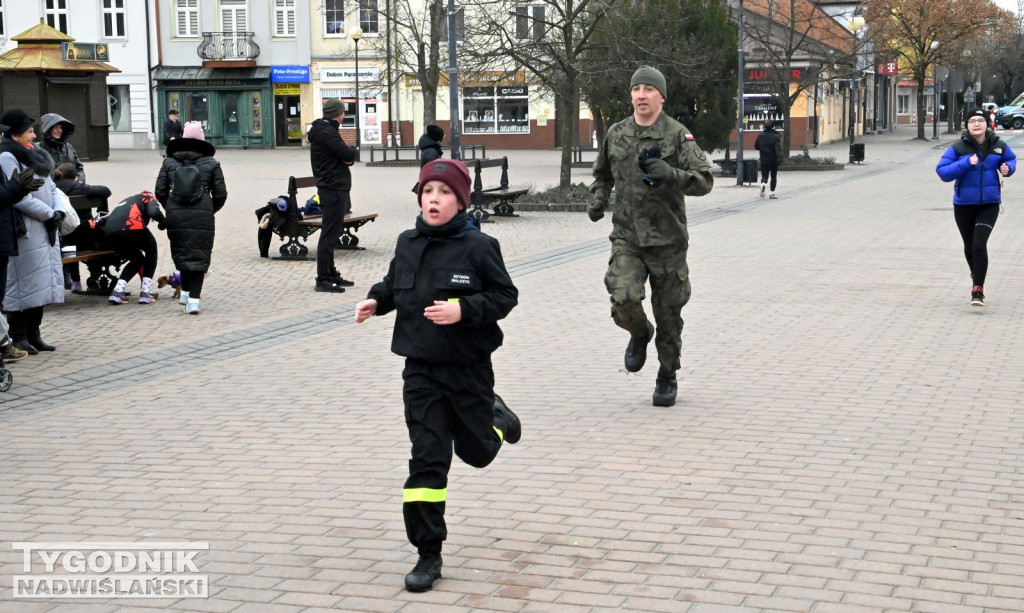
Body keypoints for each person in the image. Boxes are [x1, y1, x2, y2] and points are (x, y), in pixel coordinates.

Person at [354, 159, 521, 593]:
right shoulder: (407, 242)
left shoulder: (479, 247)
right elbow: (395, 284)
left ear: (460, 200)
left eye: (444, 192)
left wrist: (464, 309)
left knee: (478, 453)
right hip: (421, 371)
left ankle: (499, 421)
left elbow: (505, 295)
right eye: (428, 191)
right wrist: (376, 301)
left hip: (468, 370)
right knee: (428, 459)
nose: (434, 199)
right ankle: (428, 553)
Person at [587, 66, 715, 407]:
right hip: (627, 237)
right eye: (636, 89)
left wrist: (671, 174)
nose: (641, 95)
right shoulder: (616, 133)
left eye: (648, 89)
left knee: (669, 315)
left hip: (668, 241)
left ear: (661, 96)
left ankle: (666, 376)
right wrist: (599, 198)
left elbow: (704, 181)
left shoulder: (677, 135)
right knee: (624, 296)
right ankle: (639, 333)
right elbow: (602, 174)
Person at [0, 109, 66, 354]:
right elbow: (17, 195)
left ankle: (34, 333)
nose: (34, 134)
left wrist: (58, 210)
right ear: (15, 135)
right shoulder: (6, 157)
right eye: (29, 131)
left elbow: (52, 188)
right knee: (21, 284)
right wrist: (48, 214)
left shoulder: (35, 154)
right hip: (25, 229)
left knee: (40, 282)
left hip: (44, 227)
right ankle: (18, 336)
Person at [935, 107, 1015, 307]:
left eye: (980, 120)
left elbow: (1010, 160)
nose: (976, 124)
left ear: (987, 124)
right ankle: (977, 272)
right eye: (972, 121)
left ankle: (977, 289)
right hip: (963, 205)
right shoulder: (958, 148)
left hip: (989, 204)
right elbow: (943, 172)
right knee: (969, 246)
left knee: (979, 245)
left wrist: (1008, 169)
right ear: (967, 126)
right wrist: (965, 164)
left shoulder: (999, 146)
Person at [154, 121, 227, 315]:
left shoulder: (169, 162)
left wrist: (170, 206)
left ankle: (185, 294)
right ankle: (193, 301)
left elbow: (160, 191)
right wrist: (210, 209)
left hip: (176, 213)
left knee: (182, 252)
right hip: (202, 213)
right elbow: (221, 193)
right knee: (199, 256)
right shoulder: (211, 163)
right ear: (202, 140)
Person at [0, 120, 43, 363]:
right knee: (10, 289)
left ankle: (27, 334)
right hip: (12, 230)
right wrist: (17, 188)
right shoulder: (6, 156)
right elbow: (4, 195)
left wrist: (19, 188)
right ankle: (12, 339)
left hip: (11, 231)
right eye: (29, 131)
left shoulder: (30, 153)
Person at [307, 98, 358, 293]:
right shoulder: (326, 132)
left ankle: (331, 272)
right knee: (329, 234)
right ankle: (323, 278)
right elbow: (348, 153)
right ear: (339, 113)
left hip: (335, 187)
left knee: (333, 233)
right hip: (332, 188)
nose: (344, 114)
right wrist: (349, 155)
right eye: (343, 111)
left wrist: (347, 157)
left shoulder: (327, 130)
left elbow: (345, 157)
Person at [95, 191, 166, 305]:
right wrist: (163, 222)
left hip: (111, 233)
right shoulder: (148, 198)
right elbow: (154, 212)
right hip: (132, 225)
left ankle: (117, 291)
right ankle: (145, 292)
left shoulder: (124, 201)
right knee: (151, 250)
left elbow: (103, 220)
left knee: (137, 259)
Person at [53, 162, 112, 292]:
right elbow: (106, 191)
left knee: (71, 248)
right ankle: (94, 277)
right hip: (84, 233)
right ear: (75, 176)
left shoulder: (54, 187)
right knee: (94, 240)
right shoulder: (78, 187)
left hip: (63, 235)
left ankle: (76, 281)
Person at [37, 113, 86, 182]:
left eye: (61, 127)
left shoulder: (68, 147)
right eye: (56, 127)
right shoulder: (38, 149)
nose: (59, 130)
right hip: (53, 189)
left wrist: (79, 180)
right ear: (48, 129)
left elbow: (79, 167)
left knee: (101, 190)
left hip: (73, 187)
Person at [754, 120, 782, 199]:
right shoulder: (776, 136)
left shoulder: (760, 135)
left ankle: (763, 184)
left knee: (764, 175)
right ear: (773, 127)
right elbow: (778, 149)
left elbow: (756, 146)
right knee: (773, 176)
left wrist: (762, 148)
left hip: (764, 158)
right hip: (773, 159)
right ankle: (772, 194)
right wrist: (779, 158)